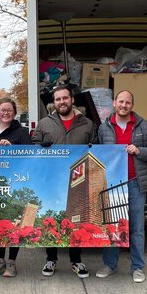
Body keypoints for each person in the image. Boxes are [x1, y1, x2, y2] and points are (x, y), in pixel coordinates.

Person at [95, 90, 147, 283]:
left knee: (136, 228)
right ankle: (110, 265)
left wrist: (139, 150)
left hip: (135, 184)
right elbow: (99, 152)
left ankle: (138, 267)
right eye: (121, 101)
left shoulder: (146, 126)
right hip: (114, 185)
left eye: (128, 103)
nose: (124, 105)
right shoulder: (104, 127)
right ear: (114, 103)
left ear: (132, 105)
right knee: (112, 226)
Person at [31, 85, 96, 278]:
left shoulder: (87, 124)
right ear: (54, 102)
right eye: (58, 99)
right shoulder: (44, 124)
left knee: (75, 219)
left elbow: (98, 149)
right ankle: (51, 259)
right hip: (51, 180)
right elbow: (33, 148)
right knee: (52, 218)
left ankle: (76, 261)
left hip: (78, 179)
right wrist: (39, 147)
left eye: (65, 98)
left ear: (72, 100)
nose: (62, 102)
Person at [0, 97, 32, 278]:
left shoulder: (21, 132)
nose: (5, 113)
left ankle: (12, 262)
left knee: (14, 220)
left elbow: (29, 155)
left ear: (14, 113)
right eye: (2, 110)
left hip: (16, 182)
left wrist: (13, 148)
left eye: (9, 110)